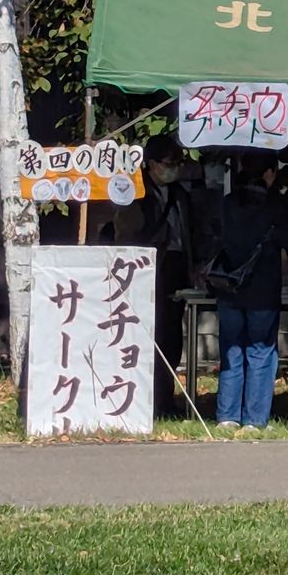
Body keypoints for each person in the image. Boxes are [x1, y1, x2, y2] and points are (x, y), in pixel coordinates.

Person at [214, 152, 288, 431]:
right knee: (261, 352)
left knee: (231, 350)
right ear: (268, 173)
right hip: (263, 288)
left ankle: (227, 416)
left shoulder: (227, 203)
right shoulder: (276, 205)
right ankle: (254, 420)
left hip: (228, 287)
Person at [115, 133, 197, 419]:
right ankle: (142, 398)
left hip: (176, 269)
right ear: (150, 164)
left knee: (171, 338)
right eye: (168, 163)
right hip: (145, 269)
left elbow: (190, 234)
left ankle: (164, 397)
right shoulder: (134, 193)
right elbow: (127, 231)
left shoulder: (181, 195)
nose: (174, 168)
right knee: (145, 337)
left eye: (178, 163)